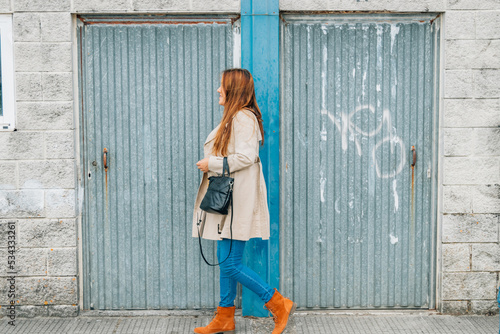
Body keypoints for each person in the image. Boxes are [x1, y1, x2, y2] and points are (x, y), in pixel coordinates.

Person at [192, 68, 296, 334]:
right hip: (230, 201)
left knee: (229, 263)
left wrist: (211, 163)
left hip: (236, 201)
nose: (218, 90)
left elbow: (246, 157)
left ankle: (277, 303)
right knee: (225, 259)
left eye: (222, 86)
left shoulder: (243, 117)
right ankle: (224, 316)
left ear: (233, 90)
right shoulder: (234, 117)